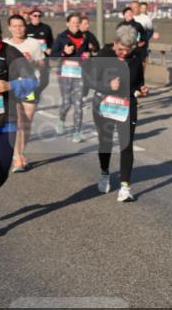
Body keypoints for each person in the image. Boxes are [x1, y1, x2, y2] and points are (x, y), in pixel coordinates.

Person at [0, 12, 37, 237]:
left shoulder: (10, 52)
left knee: (2, 168)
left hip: (7, 121)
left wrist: (10, 86)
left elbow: (32, 82)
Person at [84, 26, 147, 202]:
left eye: (128, 50)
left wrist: (141, 89)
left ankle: (125, 187)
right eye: (120, 50)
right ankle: (104, 173)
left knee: (126, 145)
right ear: (115, 42)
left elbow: (139, 82)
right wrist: (107, 85)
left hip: (126, 106)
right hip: (104, 105)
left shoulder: (135, 58)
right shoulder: (103, 56)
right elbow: (89, 81)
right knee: (106, 142)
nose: (123, 54)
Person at [4, 14, 47, 171]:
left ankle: (21, 152)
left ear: (25, 27)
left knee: (27, 123)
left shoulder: (34, 44)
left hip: (30, 85)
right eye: (14, 26)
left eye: (21, 26)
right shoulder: (5, 44)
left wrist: (33, 62)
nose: (18, 29)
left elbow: (42, 64)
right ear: (9, 28)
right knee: (18, 122)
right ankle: (16, 157)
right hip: (13, 86)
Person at [50, 13, 95, 142]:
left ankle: (77, 132)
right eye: (73, 22)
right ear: (67, 23)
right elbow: (53, 56)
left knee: (78, 103)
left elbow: (85, 55)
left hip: (79, 74)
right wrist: (65, 52)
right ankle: (61, 119)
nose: (76, 24)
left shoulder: (84, 38)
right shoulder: (61, 38)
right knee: (67, 102)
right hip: (65, 73)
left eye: (77, 22)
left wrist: (87, 56)